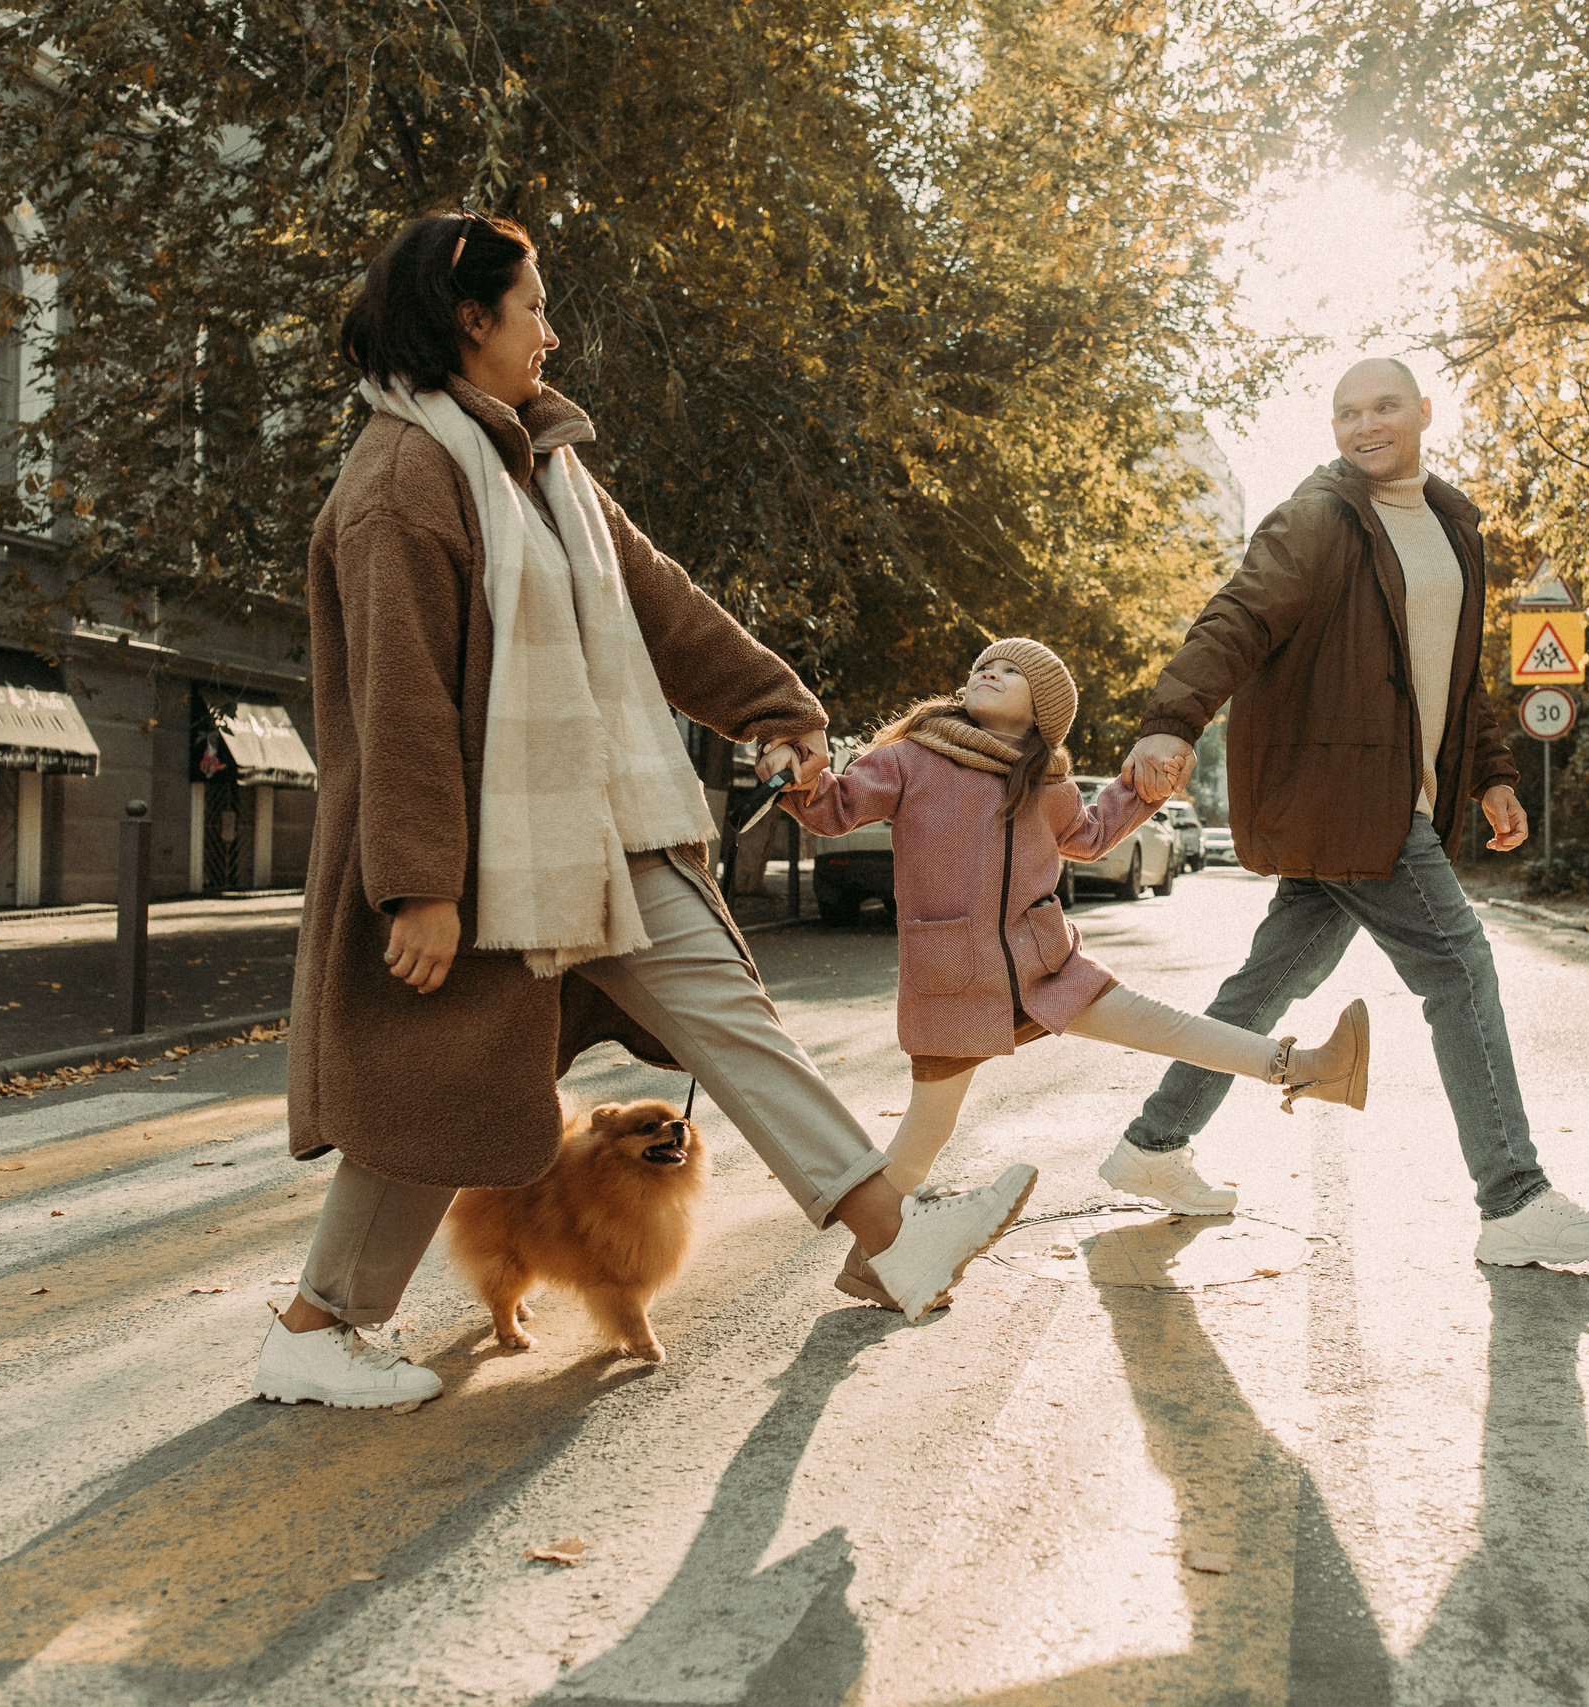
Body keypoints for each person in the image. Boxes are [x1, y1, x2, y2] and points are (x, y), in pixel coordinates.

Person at [257, 212, 1037, 1409]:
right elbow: (397, 702)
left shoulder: (544, 466)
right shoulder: (400, 483)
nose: (551, 333)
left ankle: (893, 1234)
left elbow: (658, 600)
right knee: (439, 1095)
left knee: (732, 1020)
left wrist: (775, 707)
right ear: (471, 321)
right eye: (534, 309)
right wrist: (418, 883)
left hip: (606, 825)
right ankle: (317, 1327)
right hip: (486, 855)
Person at [1111, 358, 1589, 1267]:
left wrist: (1492, 773)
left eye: (1384, 406)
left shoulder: (1452, 525)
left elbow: (1457, 675)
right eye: (1347, 412)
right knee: (1460, 969)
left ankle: (1152, 1145)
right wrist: (1172, 718)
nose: (1365, 425)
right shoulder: (1318, 519)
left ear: (1424, 412)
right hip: (1350, 794)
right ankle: (1513, 1198)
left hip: (1388, 798)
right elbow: (1234, 617)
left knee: (1262, 987)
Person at [778, 638, 1369, 1304]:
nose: (988, 674)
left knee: (1166, 1026)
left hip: (1047, 966)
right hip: (954, 980)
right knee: (924, 1135)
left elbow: (1089, 834)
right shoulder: (913, 757)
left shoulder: (1043, 779)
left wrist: (1142, 789)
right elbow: (835, 807)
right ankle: (872, 1261)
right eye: (981, 668)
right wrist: (797, 773)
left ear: (1041, 710)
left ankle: (1305, 1068)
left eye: (1009, 671)